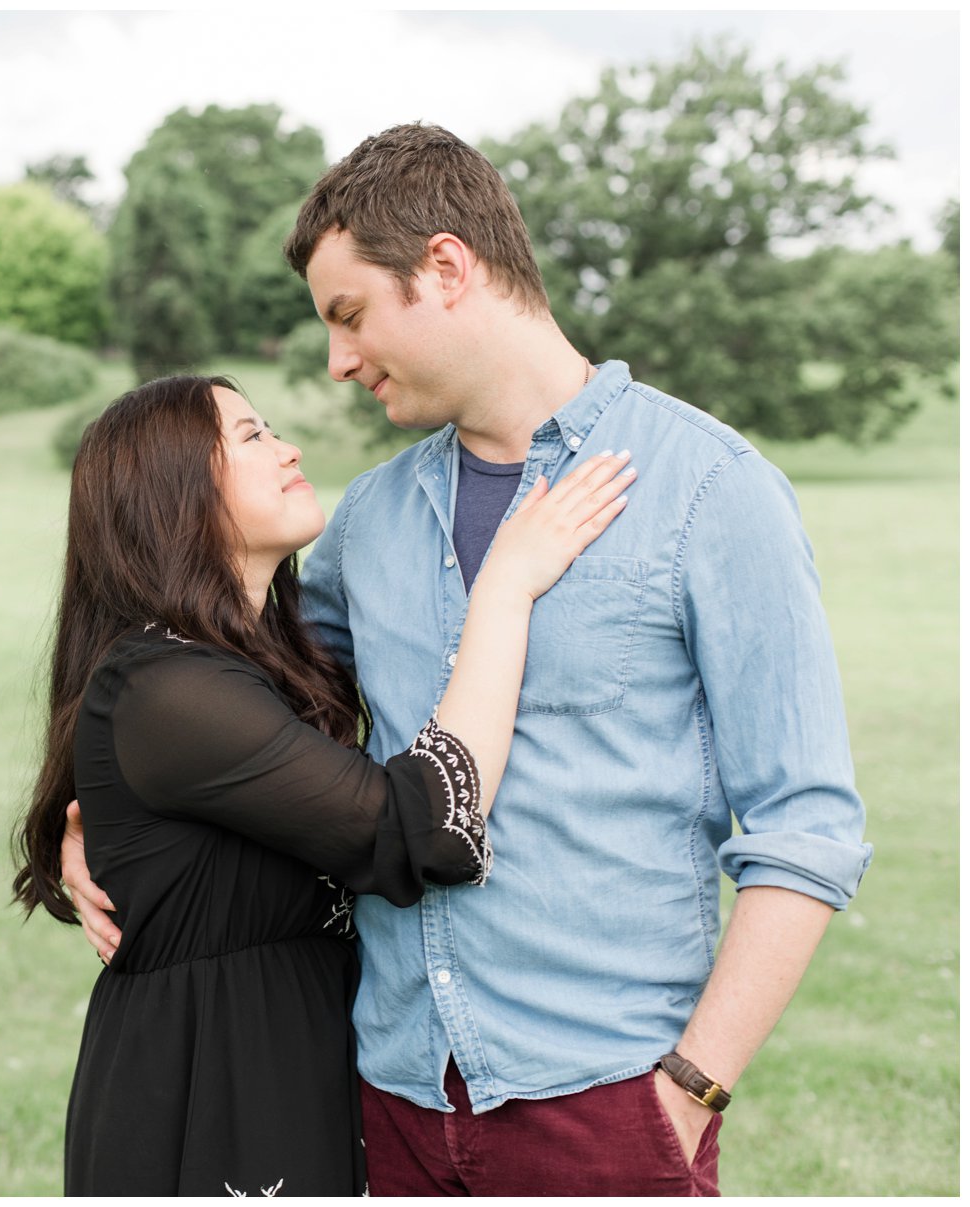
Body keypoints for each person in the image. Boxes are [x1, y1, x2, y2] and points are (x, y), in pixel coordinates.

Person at [63, 123, 872, 1196]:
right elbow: (231, 700)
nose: (340, 361)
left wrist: (687, 1092)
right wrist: (96, 823)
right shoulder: (371, 519)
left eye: (349, 317)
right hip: (385, 1099)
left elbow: (806, 830)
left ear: (446, 267)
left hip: (604, 1101)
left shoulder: (712, 493)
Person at [14, 373, 634, 1195]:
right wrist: (506, 587)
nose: (288, 447)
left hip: (303, 1059)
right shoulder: (167, 688)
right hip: (213, 1091)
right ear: (167, 490)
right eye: (250, 436)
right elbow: (418, 829)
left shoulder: (245, 657)